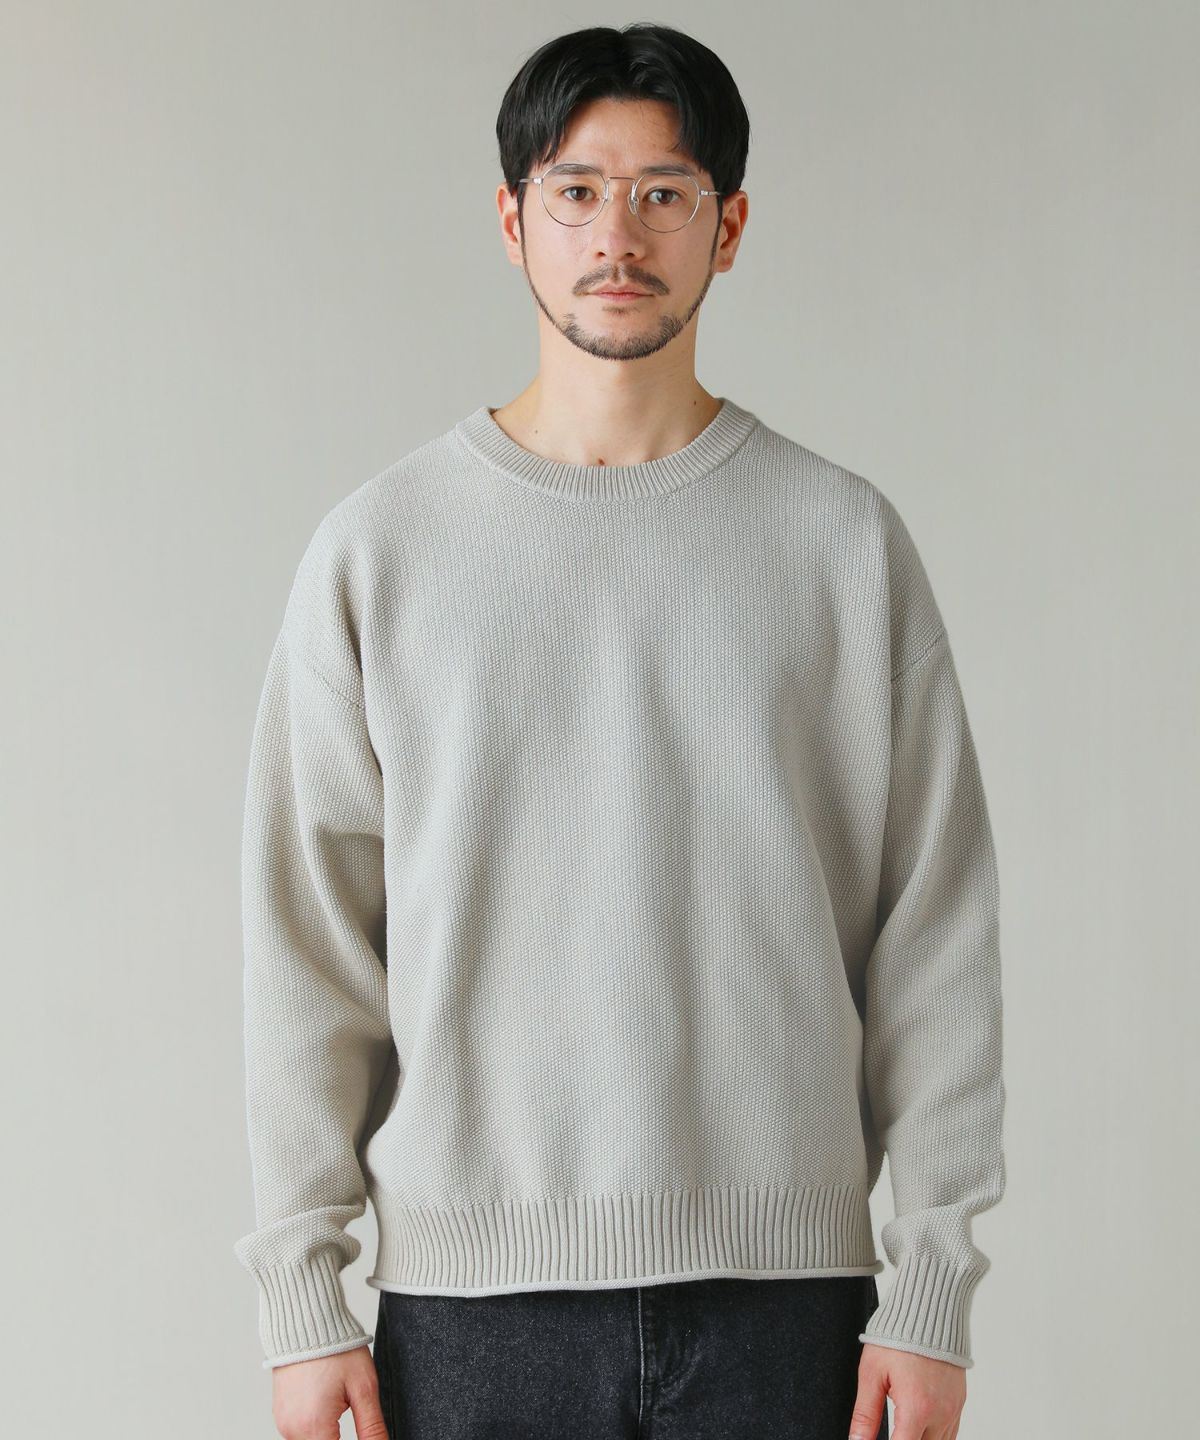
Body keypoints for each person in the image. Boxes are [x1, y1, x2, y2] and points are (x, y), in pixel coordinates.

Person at [234, 22, 1006, 1440]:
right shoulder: (381, 551)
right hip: (472, 1315)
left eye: (665, 192)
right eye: (577, 190)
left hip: (789, 1305)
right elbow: (308, 942)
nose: (618, 235)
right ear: (512, 220)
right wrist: (302, 1294)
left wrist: (934, 1287)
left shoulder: (840, 543)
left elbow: (935, 927)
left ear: (730, 227)